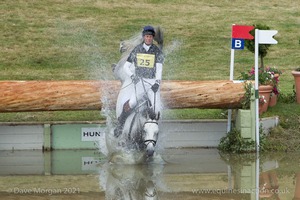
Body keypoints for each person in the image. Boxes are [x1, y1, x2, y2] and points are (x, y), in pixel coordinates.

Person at [114, 25, 164, 137]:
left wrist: (157, 83)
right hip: (140, 82)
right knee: (130, 104)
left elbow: (159, 69)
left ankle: (152, 135)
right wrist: (133, 76)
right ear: (144, 37)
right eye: (147, 36)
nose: (149, 38)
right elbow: (127, 67)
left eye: (151, 37)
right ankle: (120, 125)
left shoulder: (157, 51)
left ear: (152, 37)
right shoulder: (137, 50)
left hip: (152, 84)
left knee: (157, 111)